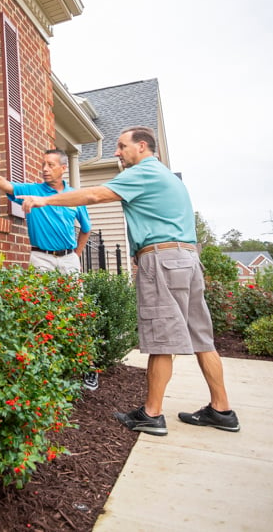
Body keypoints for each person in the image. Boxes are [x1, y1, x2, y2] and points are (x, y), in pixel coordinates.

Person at [18, 127, 240, 436]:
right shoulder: (168, 177)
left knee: (161, 338)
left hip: (163, 260)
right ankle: (222, 409)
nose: (117, 152)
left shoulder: (145, 171)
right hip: (187, 258)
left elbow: (95, 194)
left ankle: (152, 414)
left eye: (122, 146)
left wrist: (45, 201)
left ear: (143, 146)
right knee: (202, 338)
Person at [0, 149, 100, 391]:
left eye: (50, 165)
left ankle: (86, 365)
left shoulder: (75, 196)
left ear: (63, 168)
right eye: (43, 164)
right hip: (41, 257)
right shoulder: (33, 190)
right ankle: (44, 365)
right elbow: (8, 187)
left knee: (77, 311)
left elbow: (86, 228)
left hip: (68, 257)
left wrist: (76, 255)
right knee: (41, 309)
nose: (44, 168)